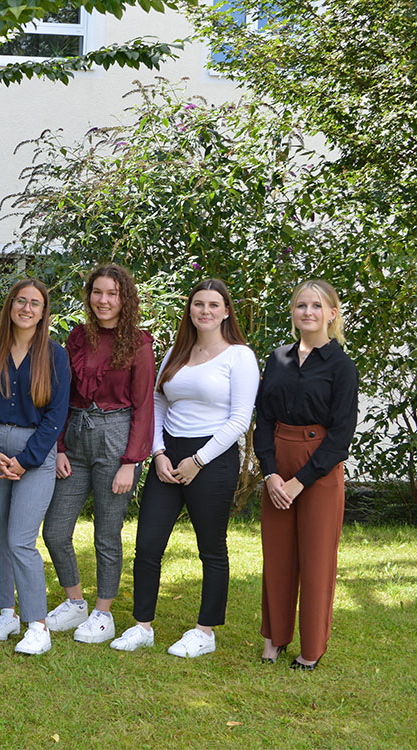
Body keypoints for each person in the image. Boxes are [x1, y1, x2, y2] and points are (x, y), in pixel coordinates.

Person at [111, 280, 259, 658]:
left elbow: (240, 419)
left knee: (211, 548)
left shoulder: (239, 356)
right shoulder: (177, 352)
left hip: (211, 456)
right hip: (168, 456)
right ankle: (142, 625)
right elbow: (157, 405)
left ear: (226, 311)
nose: (205, 311)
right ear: (190, 309)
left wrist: (198, 460)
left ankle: (205, 632)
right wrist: (158, 454)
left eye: (213, 304)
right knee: (147, 546)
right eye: (198, 304)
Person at [43, 263, 155, 645]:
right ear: (89, 295)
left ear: (124, 299)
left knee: (107, 534)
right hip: (75, 436)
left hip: (116, 436)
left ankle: (103, 613)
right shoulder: (77, 337)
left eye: (112, 294)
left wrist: (131, 461)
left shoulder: (138, 343)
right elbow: (61, 397)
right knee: (56, 531)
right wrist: (58, 447)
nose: (103, 301)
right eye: (98, 292)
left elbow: (144, 405)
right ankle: (75, 602)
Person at [255, 280, 358, 671]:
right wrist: (270, 474)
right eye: (301, 305)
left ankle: (310, 649)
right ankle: (273, 638)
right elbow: (263, 418)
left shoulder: (341, 366)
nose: (308, 312)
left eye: (317, 306)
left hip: (319, 467)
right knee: (277, 555)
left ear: (331, 314)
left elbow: (341, 434)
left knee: (316, 559)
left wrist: (300, 481)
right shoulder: (277, 359)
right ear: (294, 312)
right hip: (278, 462)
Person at [0, 279, 70, 655]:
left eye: (35, 304)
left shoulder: (54, 355)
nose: (27, 308)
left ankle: (37, 624)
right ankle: (7, 612)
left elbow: (56, 416)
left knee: (20, 540)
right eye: (20, 301)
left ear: (43, 312)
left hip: (34, 452)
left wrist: (25, 461)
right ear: (10, 306)